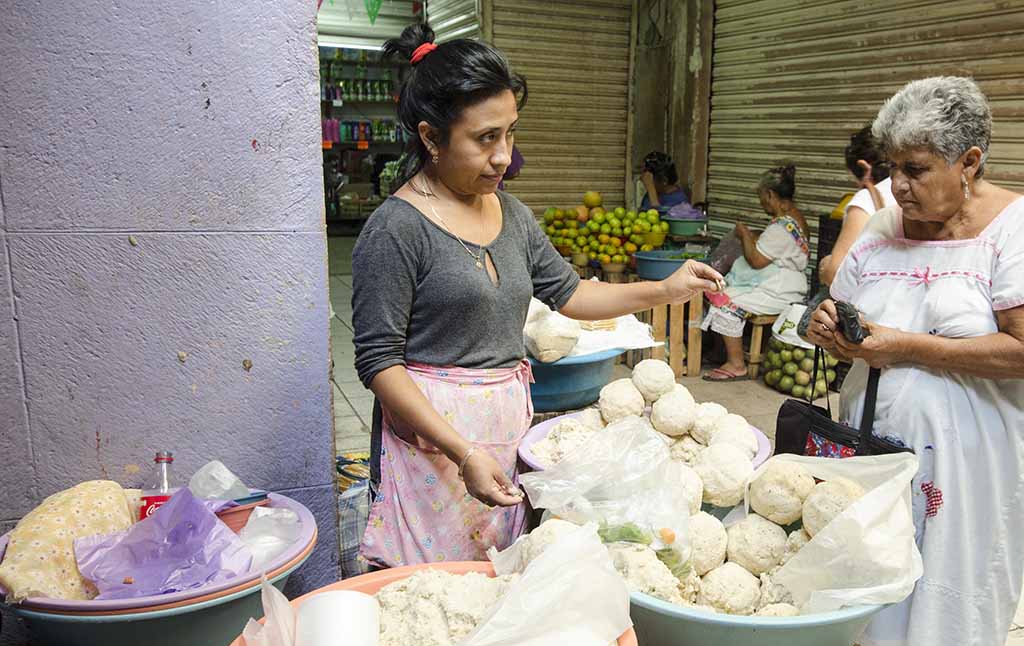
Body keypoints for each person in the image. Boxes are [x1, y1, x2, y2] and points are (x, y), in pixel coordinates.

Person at [804, 76, 1024, 646]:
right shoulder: (880, 227)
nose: (895, 187)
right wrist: (827, 331)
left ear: (968, 162)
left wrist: (903, 346)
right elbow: (844, 312)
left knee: (969, 583)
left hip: (973, 463)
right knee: (859, 570)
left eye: (915, 169)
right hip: (873, 447)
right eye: (891, 166)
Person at [352, 23, 723, 568]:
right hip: (433, 444)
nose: (504, 156)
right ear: (431, 138)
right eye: (485, 139)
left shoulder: (513, 215)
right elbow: (379, 363)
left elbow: (572, 294)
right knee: (434, 589)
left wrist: (666, 289)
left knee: (498, 574)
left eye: (510, 133)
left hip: (503, 432)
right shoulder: (396, 230)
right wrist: (463, 452)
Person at [700, 164, 810, 381]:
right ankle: (722, 352)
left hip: (780, 290)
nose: (761, 202)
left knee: (723, 302)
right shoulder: (796, 218)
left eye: (761, 196)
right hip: (787, 285)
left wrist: (744, 235)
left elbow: (756, 260)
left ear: (770, 195)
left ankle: (736, 364)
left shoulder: (780, 228)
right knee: (723, 292)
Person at [818, 125, 897, 285]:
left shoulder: (865, 200)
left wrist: (827, 266)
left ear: (863, 166)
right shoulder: (913, 191)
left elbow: (836, 274)